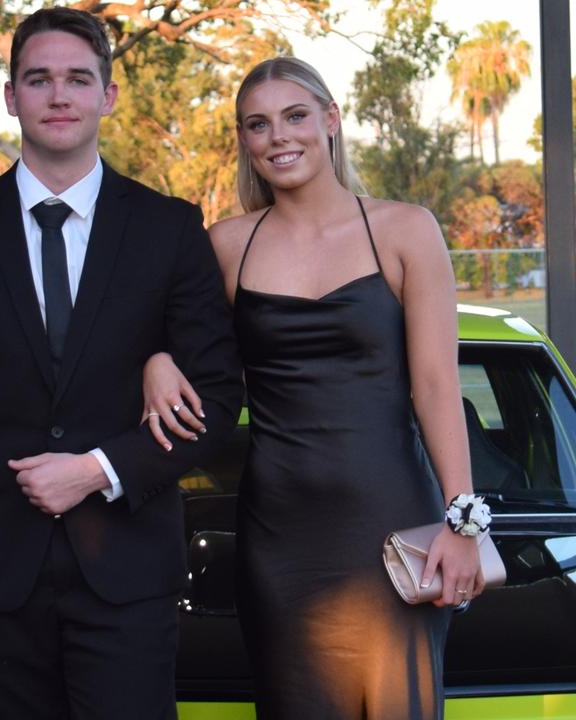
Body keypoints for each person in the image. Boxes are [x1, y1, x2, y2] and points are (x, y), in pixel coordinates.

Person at [0, 7, 244, 719]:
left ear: (107, 95)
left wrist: (96, 469)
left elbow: (216, 395)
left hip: (127, 576)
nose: (59, 96)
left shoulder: (168, 229)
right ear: (11, 94)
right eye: (39, 79)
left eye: (78, 79)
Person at [141, 57, 484, 719]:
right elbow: (166, 337)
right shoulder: (226, 246)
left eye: (294, 116)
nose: (278, 136)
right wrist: (156, 356)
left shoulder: (404, 229)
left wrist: (462, 523)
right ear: (244, 141)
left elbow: (437, 387)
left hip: (391, 530)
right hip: (279, 539)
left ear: (329, 121)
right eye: (257, 124)